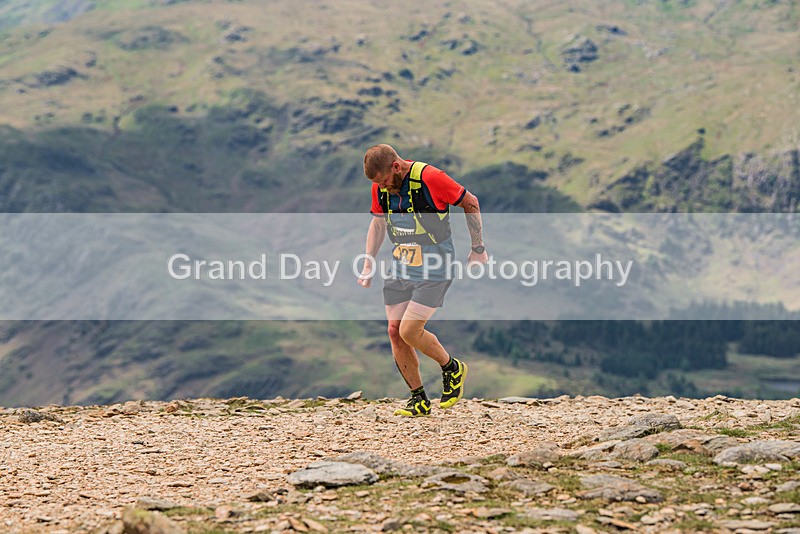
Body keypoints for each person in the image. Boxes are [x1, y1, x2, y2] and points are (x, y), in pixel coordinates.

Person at [358, 144, 488, 416]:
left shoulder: (431, 178)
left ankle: (452, 367)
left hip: (435, 266)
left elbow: (471, 201)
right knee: (395, 331)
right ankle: (418, 399)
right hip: (401, 264)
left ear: (396, 166)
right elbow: (378, 223)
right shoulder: (379, 187)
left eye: (384, 181)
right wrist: (369, 260)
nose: (382, 187)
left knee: (409, 330)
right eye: (377, 184)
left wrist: (477, 247)